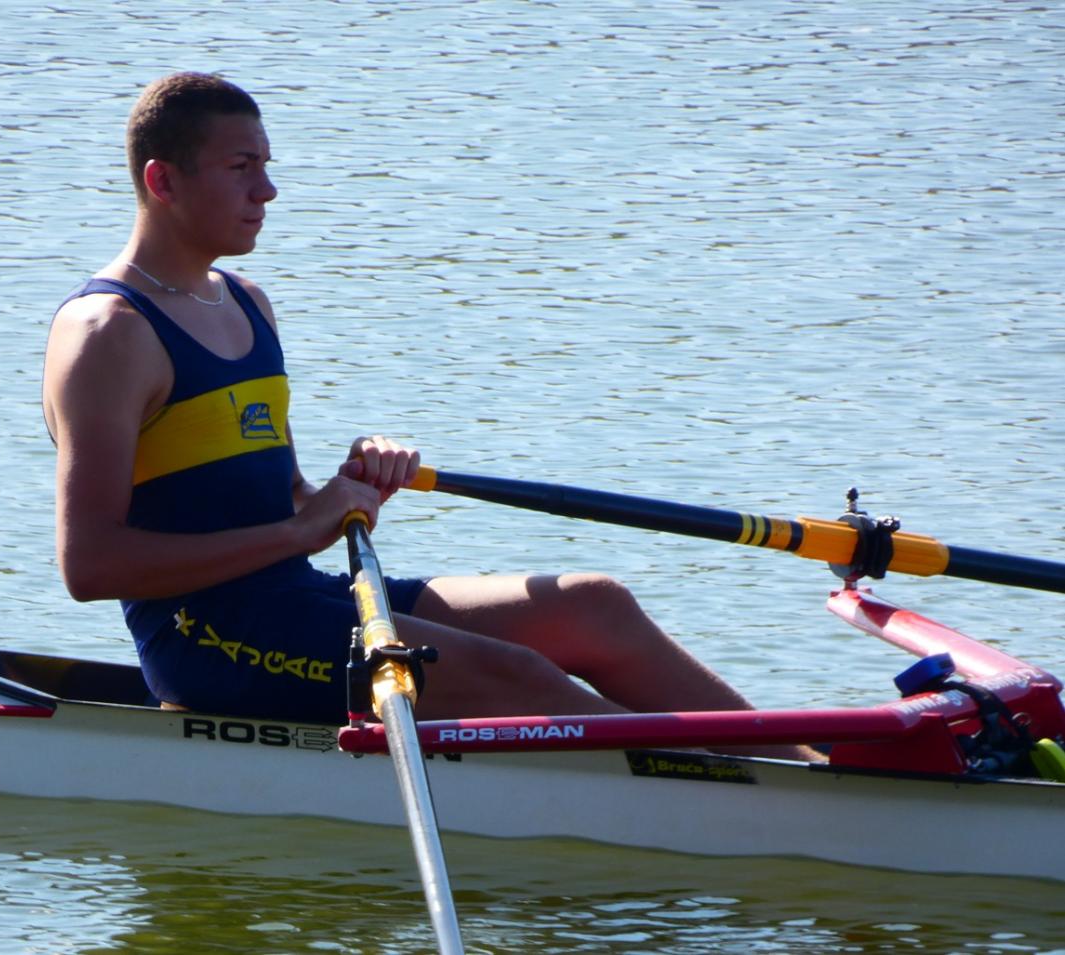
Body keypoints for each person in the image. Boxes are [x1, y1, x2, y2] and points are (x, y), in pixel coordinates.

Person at [43, 71, 813, 760]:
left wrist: (350, 484)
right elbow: (90, 565)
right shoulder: (108, 333)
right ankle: (733, 792)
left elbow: (281, 500)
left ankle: (812, 765)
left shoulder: (245, 303)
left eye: (267, 166)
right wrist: (299, 532)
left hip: (298, 599)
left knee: (592, 605)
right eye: (242, 168)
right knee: (514, 672)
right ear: (163, 180)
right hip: (207, 638)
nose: (267, 191)